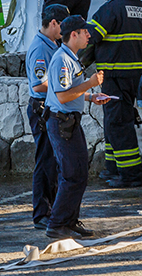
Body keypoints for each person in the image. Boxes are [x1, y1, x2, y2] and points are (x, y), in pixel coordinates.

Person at [84, 0, 142, 188]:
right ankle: (113, 168)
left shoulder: (110, 9)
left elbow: (89, 38)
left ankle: (131, 175)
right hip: (136, 75)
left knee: (118, 123)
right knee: (114, 121)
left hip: (113, 75)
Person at [45, 15, 110, 240]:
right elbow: (62, 96)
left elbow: (70, 90)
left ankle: (69, 221)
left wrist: (91, 96)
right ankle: (57, 224)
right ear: (74, 34)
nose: (89, 36)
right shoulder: (63, 59)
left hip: (70, 120)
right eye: (85, 32)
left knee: (80, 173)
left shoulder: (71, 57)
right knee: (71, 174)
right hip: (62, 121)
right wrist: (90, 84)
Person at [24, 3, 70, 230]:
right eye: (63, 26)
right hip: (41, 108)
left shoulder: (51, 44)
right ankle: (41, 213)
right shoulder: (41, 49)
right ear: (53, 23)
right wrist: (65, 87)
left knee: (52, 162)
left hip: (48, 107)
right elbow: (39, 84)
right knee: (45, 162)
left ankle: (48, 209)